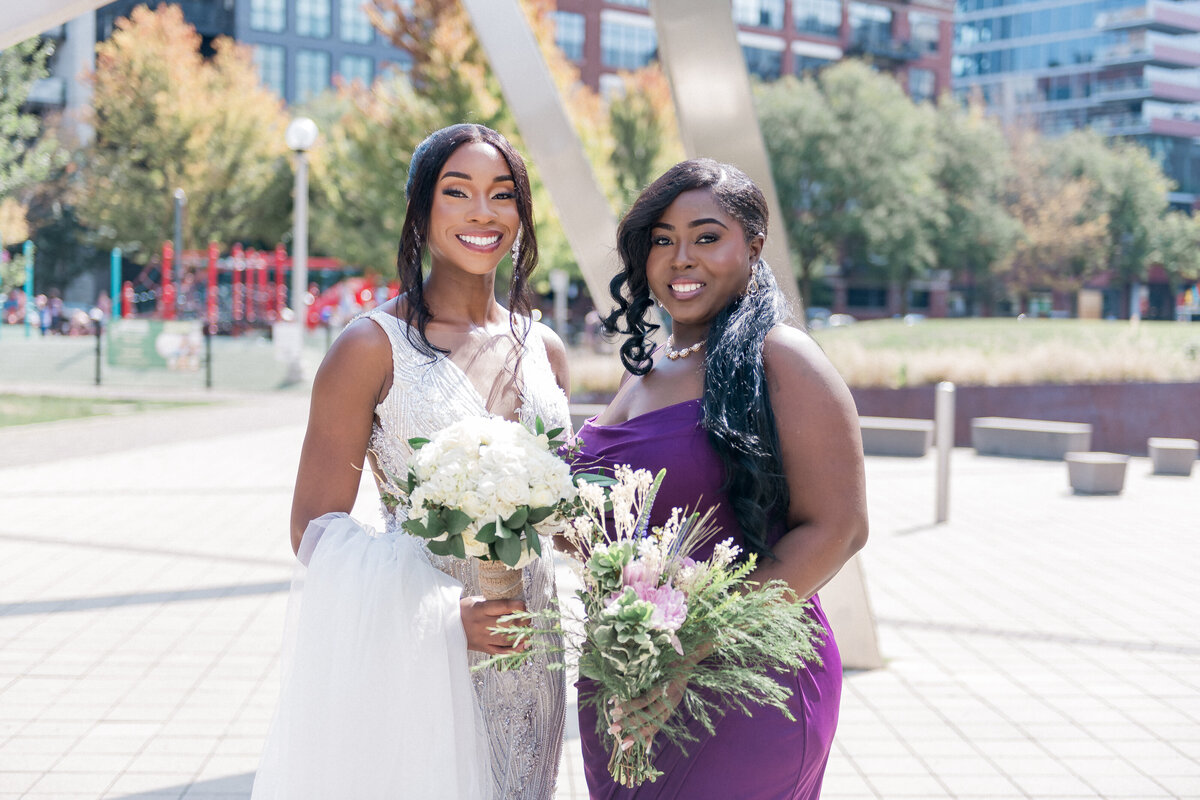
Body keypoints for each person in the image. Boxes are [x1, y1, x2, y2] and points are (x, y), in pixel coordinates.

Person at [251, 124, 571, 800]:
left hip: (533, 648)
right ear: (422, 214)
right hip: (426, 655)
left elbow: (565, 507)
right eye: (457, 193)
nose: (482, 213)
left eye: (501, 195)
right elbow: (314, 527)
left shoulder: (546, 348)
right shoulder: (370, 347)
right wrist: (446, 614)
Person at [574, 159, 868, 799]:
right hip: (627, 686)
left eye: (707, 237)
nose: (682, 258)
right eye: (662, 239)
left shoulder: (781, 358)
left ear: (754, 246)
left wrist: (688, 650)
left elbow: (840, 528)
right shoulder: (646, 368)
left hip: (745, 681)